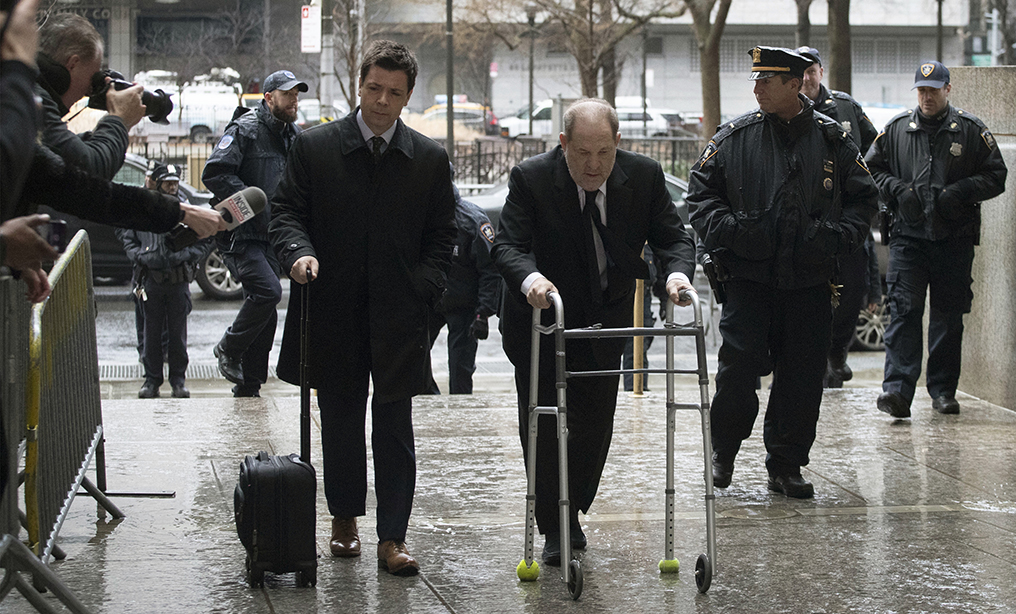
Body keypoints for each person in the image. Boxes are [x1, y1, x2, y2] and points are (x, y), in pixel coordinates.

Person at [268, 40, 455, 576]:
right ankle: (344, 517)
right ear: (359, 84)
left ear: (409, 96)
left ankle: (393, 535)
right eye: (374, 88)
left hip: (399, 315)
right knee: (342, 419)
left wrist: (424, 284)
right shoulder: (316, 148)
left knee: (395, 425)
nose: (381, 101)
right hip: (333, 307)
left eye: (394, 93)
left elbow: (444, 236)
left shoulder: (428, 159)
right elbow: (286, 213)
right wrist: (299, 255)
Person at [491, 98, 696, 565]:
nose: (593, 164)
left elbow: (673, 236)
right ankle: (555, 524)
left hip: (606, 319)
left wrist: (677, 274)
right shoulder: (532, 179)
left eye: (604, 152)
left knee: (594, 423)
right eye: (582, 152)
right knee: (545, 425)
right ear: (563, 144)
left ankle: (572, 505)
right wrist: (531, 279)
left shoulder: (642, 176)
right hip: (542, 319)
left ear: (618, 144)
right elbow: (508, 245)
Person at [687, 47, 878, 499]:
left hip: (810, 282)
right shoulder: (735, 137)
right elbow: (700, 196)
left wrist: (833, 237)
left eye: (766, 81)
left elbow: (864, 201)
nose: (756, 89)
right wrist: (733, 232)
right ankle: (723, 453)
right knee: (737, 372)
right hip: (749, 282)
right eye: (755, 80)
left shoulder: (834, 140)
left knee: (801, 377)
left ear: (795, 85)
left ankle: (786, 465)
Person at [866, 61, 1007, 418]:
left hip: (953, 239)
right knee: (904, 312)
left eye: (933, 90)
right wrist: (897, 189)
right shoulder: (897, 130)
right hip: (908, 240)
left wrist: (960, 192)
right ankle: (897, 391)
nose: (927, 97)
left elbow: (996, 176)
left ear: (947, 89)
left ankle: (944, 390)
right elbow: (871, 168)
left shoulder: (971, 131)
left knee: (948, 317)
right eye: (922, 90)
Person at [203, 69, 307, 398]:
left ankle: (249, 384)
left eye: (296, 94)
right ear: (268, 97)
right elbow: (215, 172)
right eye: (287, 94)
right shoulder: (245, 129)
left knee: (266, 309)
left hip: (273, 237)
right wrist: (250, 204)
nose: (294, 100)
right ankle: (228, 348)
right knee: (268, 292)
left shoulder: (294, 136)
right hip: (242, 236)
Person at [796, 46, 882, 387]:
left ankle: (837, 352)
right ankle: (815, 359)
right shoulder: (786, 108)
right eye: (799, 71)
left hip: (845, 217)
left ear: (821, 71)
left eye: (811, 70)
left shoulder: (846, 107)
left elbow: (877, 148)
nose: (806, 77)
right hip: (808, 217)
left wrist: (862, 185)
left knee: (853, 290)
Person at [117, 164, 209, 399]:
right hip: (151, 280)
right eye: (167, 183)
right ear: (157, 184)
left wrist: (185, 255)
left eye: (175, 183)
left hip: (178, 281)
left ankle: (178, 381)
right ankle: (152, 381)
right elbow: (128, 236)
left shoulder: (187, 210)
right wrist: (138, 255)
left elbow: (206, 239)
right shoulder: (144, 208)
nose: (172, 187)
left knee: (177, 335)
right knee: (151, 334)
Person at [35, 13, 145, 180]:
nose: (88, 91)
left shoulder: (22, 86)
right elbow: (89, 173)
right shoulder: (32, 100)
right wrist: (119, 120)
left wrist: (96, 137)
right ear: (72, 64)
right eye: (92, 77)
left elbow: (58, 149)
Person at [424, 167, 500, 394]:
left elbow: (491, 269)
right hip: (431, 302)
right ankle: (432, 401)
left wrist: (483, 312)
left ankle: (460, 414)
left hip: (464, 306)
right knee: (414, 359)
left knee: (460, 370)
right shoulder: (424, 216)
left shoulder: (472, 220)